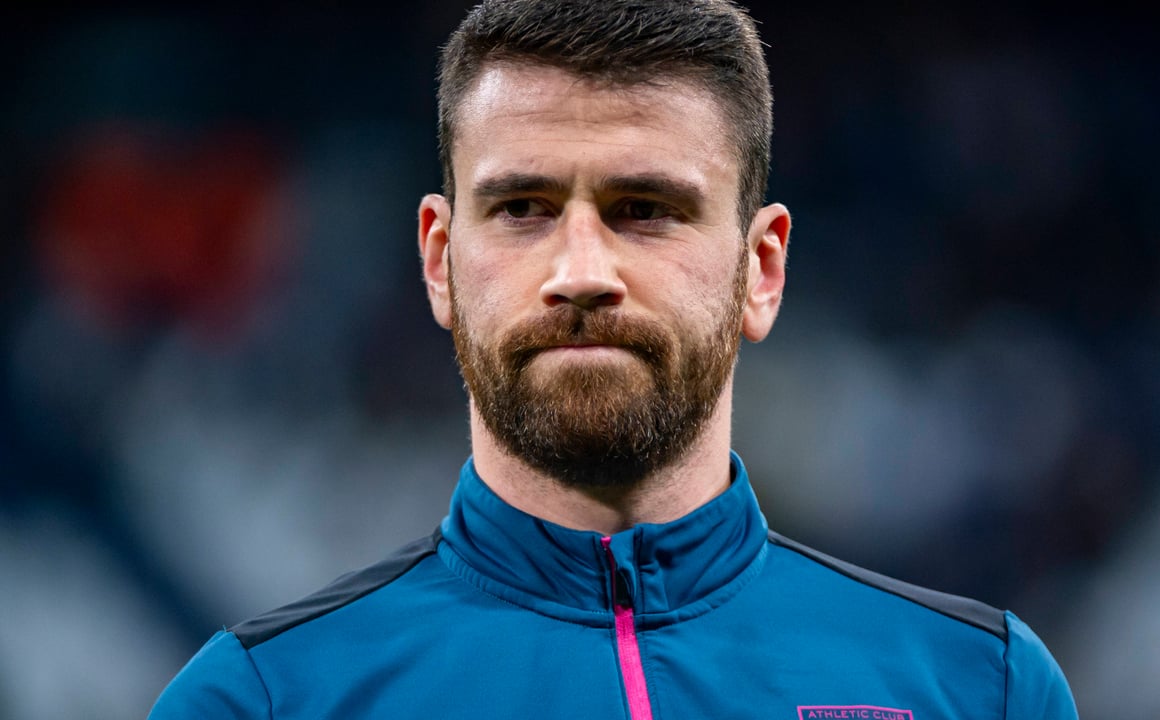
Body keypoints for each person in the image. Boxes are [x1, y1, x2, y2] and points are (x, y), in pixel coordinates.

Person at [150, 1, 1078, 718]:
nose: (582, 273)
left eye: (646, 209)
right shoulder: (262, 701)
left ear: (761, 270)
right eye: (522, 209)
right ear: (439, 262)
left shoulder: (978, 688)